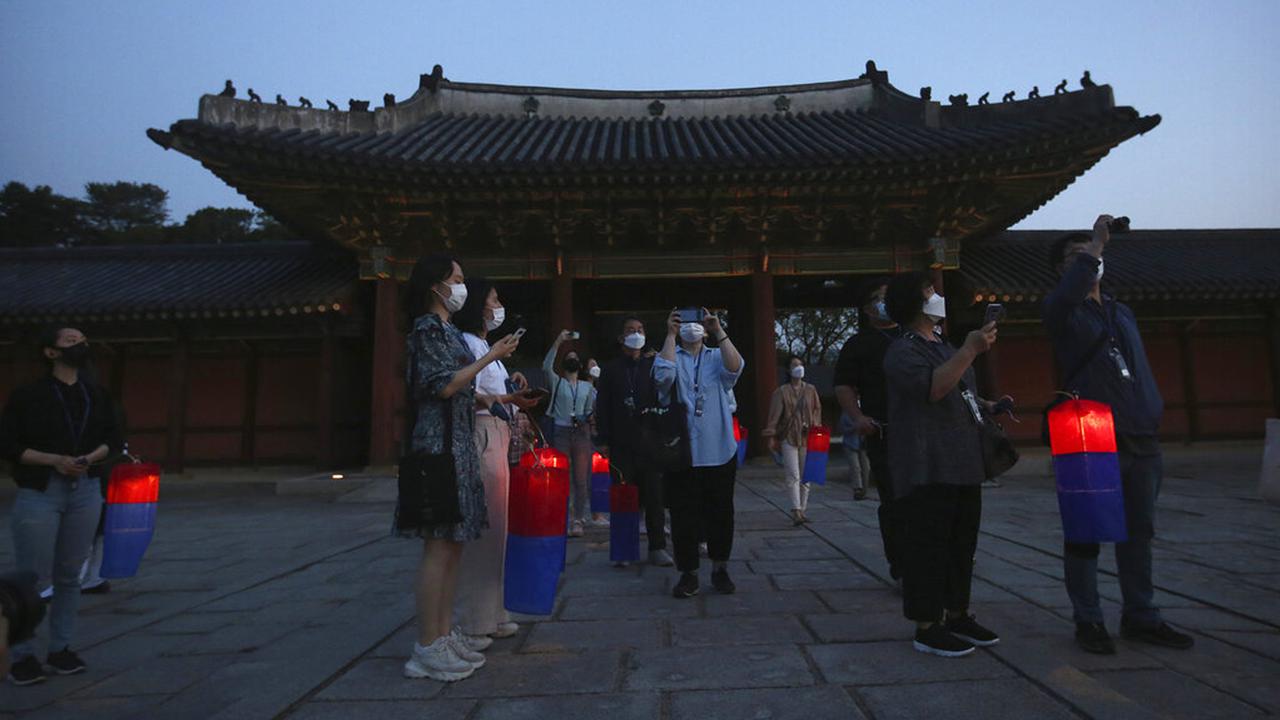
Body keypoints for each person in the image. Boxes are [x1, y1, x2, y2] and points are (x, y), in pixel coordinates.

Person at [1044, 215, 1194, 655]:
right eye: (1077, 256)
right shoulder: (1060, 309)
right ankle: (1088, 619)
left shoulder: (1120, 310)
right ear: (1062, 270)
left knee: (1139, 532)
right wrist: (1095, 243)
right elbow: (1073, 286)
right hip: (1090, 437)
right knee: (1086, 532)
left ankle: (1141, 615)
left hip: (1141, 435)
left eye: (1093, 253)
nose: (1092, 258)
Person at [396, 254, 521, 683]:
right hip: (438, 445)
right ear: (435, 286)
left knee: (453, 545)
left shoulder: (448, 331)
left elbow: (466, 391)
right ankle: (427, 646)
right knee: (438, 547)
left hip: (459, 443)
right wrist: (491, 358)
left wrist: (497, 398)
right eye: (456, 279)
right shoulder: (427, 329)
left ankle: (444, 634)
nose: (460, 286)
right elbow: (443, 385)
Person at [883, 272, 1001, 658]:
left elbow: (956, 389)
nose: (937, 296)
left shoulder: (943, 344)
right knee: (929, 546)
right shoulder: (903, 350)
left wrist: (987, 405)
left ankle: (958, 613)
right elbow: (933, 388)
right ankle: (926, 624)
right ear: (914, 304)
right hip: (928, 462)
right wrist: (970, 350)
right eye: (929, 291)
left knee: (961, 544)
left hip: (962, 458)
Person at [0, 327, 123, 685]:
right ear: (50, 352)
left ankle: (61, 647)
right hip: (41, 490)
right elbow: (9, 444)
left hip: (85, 487)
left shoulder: (95, 394)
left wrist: (87, 458)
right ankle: (21, 654)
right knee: (29, 577)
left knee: (70, 574)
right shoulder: (28, 396)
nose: (80, 346)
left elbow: (111, 439)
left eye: (83, 341)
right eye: (71, 342)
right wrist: (54, 460)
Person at [451, 278, 539, 644]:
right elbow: (466, 394)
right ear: (478, 307)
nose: (498, 305)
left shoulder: (485, 346)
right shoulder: (469, 345)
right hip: (481, 432)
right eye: (493, 299)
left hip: (498, 435)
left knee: (499, 529)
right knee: (485, 529)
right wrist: (510, 399)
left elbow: (492, 391)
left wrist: (511, 389)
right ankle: (475, 619)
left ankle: (495, 612)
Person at [653, 308, 745, 598]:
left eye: (697, 323)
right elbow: (662, 379)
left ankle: (720, 567)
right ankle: (688, 572)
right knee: (683, 514)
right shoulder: (671, 355)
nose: (692, 327)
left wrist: (719, 331)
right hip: (681, 451)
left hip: (718, 446)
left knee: (720, 511)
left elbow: (735, 367)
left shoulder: (716, 356)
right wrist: (669, 334)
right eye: (685, 322)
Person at [834, 278, 905, 581]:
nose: (884, 303)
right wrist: (857, 417)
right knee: (894, 500)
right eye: (879, 298)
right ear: (867, 308)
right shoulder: (858, 343)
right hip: (883, 429)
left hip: (924, 429)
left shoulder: (915, 335)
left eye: (889, 297)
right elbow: (844, 385)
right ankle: (901, 564)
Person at [595, 317, 673, 567]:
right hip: (620, 442)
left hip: (649, 442)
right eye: (630, 330)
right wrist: (603, 439)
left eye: (640, 330)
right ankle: (624, 549)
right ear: (621, 337)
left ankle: (657, 546)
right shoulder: (610, 369)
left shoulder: (652, 366)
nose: (636, 334)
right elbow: (603, 406)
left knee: (654, 497)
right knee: (622, 496)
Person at [543, 331, 603, 534]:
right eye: (569, 359)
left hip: (581, 431)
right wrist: (559, 341)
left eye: (575, 359)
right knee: (562, 476)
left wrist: (588, 418)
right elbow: (546, 366)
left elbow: (588, 410)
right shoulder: (557, 382)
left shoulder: (586, 386)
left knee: (580, 478)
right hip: (561, 429)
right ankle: (564, 516)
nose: (572, 361)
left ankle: (578, 518)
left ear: (580, 365)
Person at [763, 356, 823, 526]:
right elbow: (774, 416)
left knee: (806, 475)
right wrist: (771, 436)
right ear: (788, 370)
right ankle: (796, 509)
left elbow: (817, 411)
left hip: (807, 436)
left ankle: (803, 509)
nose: (799, 368)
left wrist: (817, 430)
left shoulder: (811, 390)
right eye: (795, 365)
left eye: (801, 364)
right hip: (789, 435)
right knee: (793, 474)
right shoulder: (781, 391)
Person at [837, 412, 872, 500]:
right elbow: (842, 429)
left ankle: (864, 490)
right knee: (855, 467)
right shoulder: (845, 415)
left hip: (863, 445)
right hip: (850, 444)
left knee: (866, 468)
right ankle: (857, 489)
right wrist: (854, 428)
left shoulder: (864, 414)